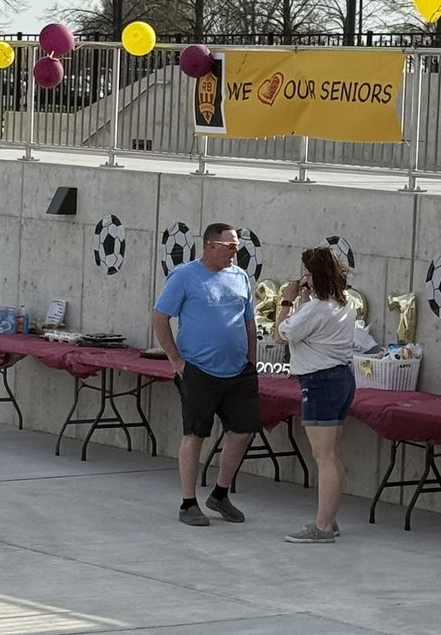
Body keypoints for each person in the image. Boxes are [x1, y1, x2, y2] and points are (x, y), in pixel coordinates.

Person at [152, 223, 261, 527]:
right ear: (211, 246)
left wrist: (252, 362)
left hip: (238, 372)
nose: (234, 252)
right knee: (195, 434)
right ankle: (188, 503)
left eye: (236, 247)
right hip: (198, 370)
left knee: (243, 431)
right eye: (230, 247)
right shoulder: (185, 276)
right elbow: (160, 317)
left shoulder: (240, 278)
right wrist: (176, 360)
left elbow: (249, 323)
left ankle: (221, 494)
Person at [274, 246, 356, 543]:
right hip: (341, 379)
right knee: (331, 455)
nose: (302, 277)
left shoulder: (315, 309)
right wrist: (306, 296)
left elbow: (278, 334)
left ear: (315, 275)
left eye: (306, 273)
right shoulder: (344, 303)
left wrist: (287, 300)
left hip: (319, 382)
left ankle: (322, 527)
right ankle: (329, 520)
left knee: (324, 458)